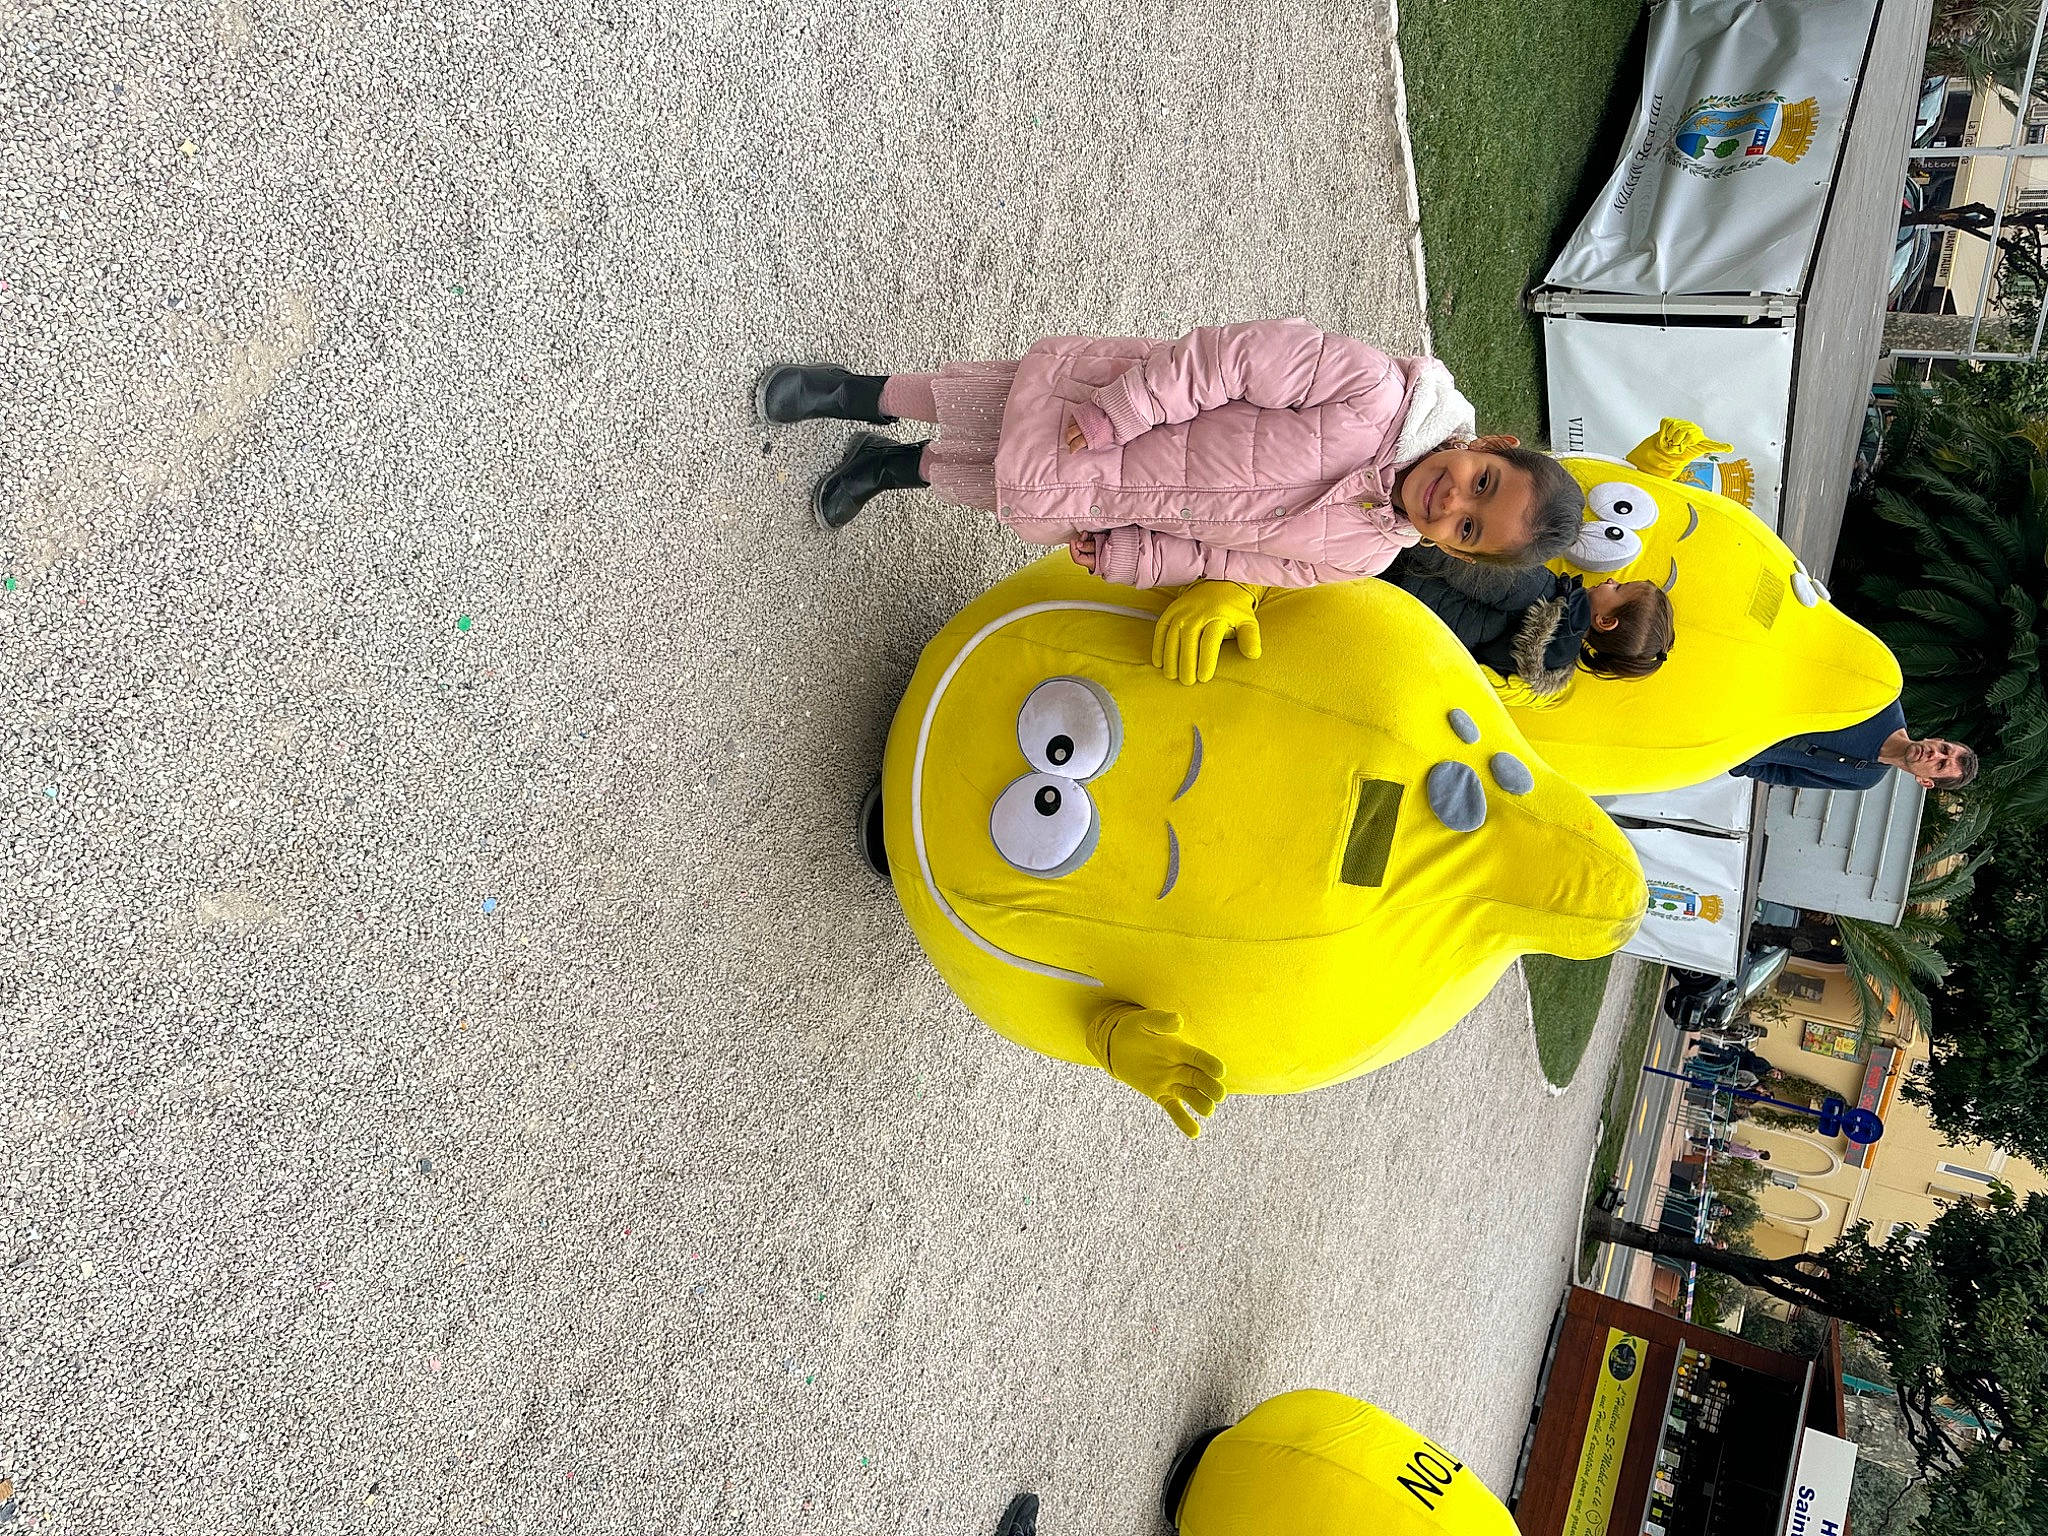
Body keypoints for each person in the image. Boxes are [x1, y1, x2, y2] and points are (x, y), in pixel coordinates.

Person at [758, 318, 1585, 586]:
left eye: (1471, 528)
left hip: (1121, 499)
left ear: (1455, 550)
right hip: (1114, 419)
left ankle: (887, 467)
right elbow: (1226, 359)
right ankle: (854, 393)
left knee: (983, 480)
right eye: (1483, 483)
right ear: (1493, 444)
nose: (1454, 502)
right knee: (969, 404)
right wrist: (1127, 410)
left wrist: (1140, 554)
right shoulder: (1374, 391)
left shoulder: (1361, 556)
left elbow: (1230, 561)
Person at [1385, 560, 1675, 701]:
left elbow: (1459, 562)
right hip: (1400, 617)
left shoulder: (1542, 590)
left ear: (1606, 621)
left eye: (1619, 588)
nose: (1611, 579)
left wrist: (1410, 531)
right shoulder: (1550, 659)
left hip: (1400, 570)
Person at [1727, 697, 1977, 792]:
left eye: (1941, 764)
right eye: (1944, 749)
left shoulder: (1865, 780)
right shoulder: (1882, 706)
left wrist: (1741, 766)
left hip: (1723, 750)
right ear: (1938, 740)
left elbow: (1786, 775)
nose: (1935, 754)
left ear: (1926, 782)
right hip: (1738, 704)